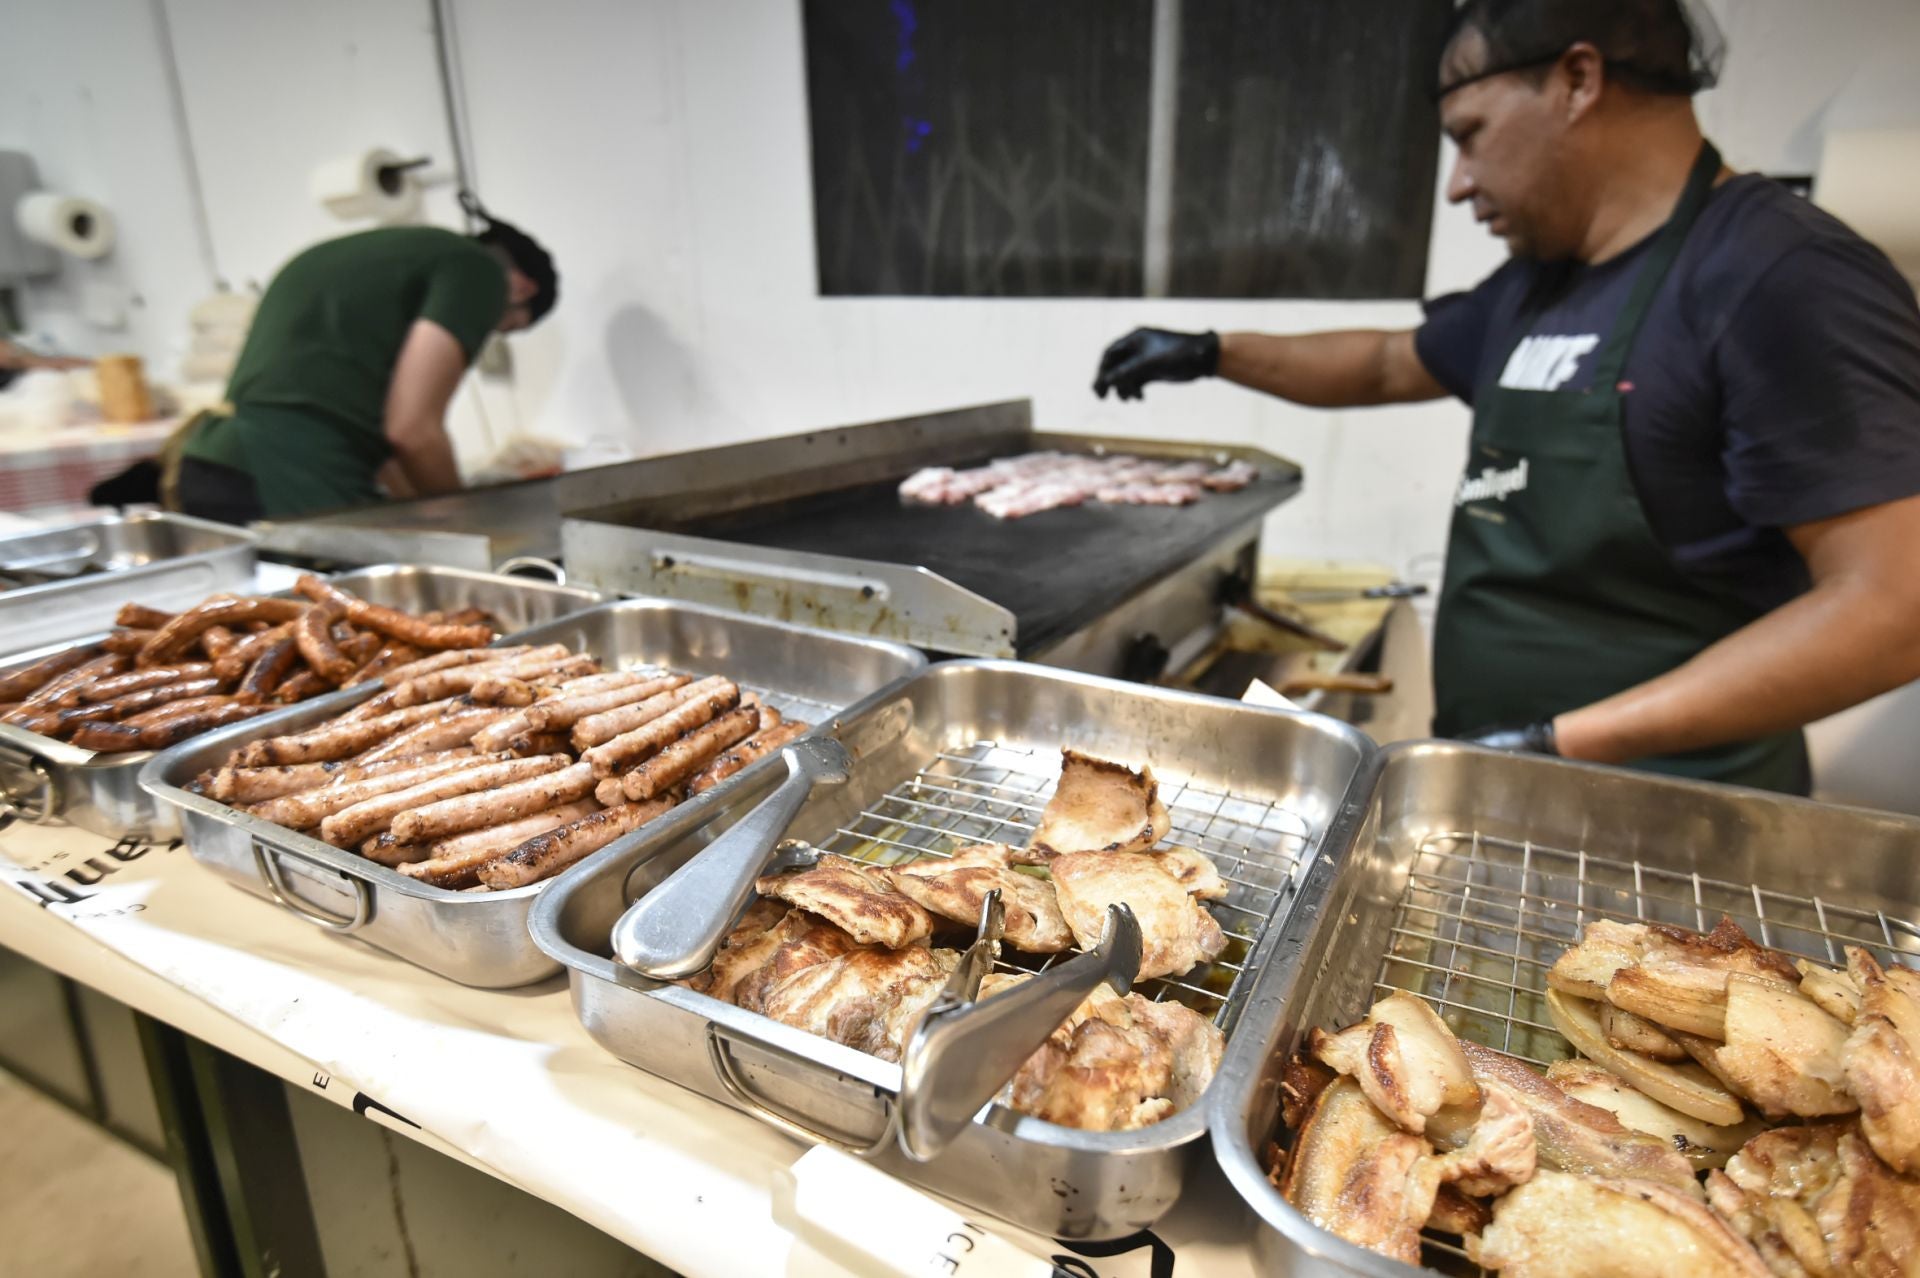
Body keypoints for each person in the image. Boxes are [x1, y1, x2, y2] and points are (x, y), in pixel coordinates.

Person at [1091, 0, 1920, 795]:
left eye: (1471, 136)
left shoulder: (1782, 276)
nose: (1456, 185)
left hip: (1672, 816)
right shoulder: (1543, 285)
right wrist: (1209, 352)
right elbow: (1383, 362)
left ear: (1577, 80)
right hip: (1510, 779)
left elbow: (1892, 609)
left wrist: (1561, 741)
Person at [171, 205, 557, 523]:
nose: (488, 333)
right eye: (505, 327)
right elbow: (412, 430)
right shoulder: (478, 270)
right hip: (287, 476)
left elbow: (383, 443)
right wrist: (465, 518)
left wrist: (422, 512)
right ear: (523, 287)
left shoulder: (379, 255)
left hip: (211, 463)